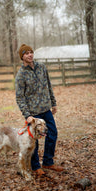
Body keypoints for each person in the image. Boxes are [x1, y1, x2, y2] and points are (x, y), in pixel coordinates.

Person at [15, 44, 64, 175]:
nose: (30, 55)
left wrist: (53, 103)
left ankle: (48, 162)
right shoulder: (21, 75)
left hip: (46, 109)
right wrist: (27, 115)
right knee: (33, 140)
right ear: (22, 57)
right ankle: (36, 166)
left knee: (52, 133)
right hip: (33, 114)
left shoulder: (42, 67)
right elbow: (19, 97)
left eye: (31, 52)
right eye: (26, 53)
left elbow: (49, 86)